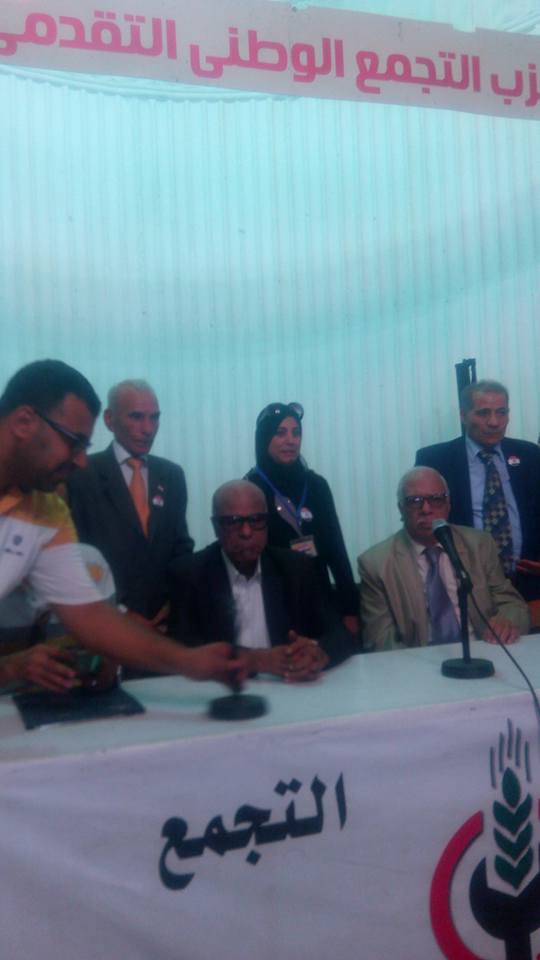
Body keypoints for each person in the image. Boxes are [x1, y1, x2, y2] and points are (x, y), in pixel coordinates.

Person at [0, 360, 242, 691]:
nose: (81, 460)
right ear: (24, 422)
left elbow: (90, 617)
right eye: (74, 442)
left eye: (85, 447)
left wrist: (190, 662)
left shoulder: (46, 511)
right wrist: (9, 669)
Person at [170, 480, 356, 680]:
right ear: (216, 526)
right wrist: (256, 661)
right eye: (233, 521)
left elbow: (340, 636)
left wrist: (318, 651)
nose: (246, 532)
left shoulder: (296, 569)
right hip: (223, 688)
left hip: (288, 686)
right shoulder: (191, 574)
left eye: (256, 520)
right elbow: (183, 653)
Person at [357, 467, 529, 652]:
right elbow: (379, 639)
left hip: (484, 651)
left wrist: (507, 622)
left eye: (436, 499)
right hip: (420, 659)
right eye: (414, 501)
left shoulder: (479, 545)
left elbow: (512, 603)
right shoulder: (375, 563)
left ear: (448, 504)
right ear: (401, 508)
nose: (426, 509)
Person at [67, 379, 193, 625]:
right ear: (109, 419)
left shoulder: (171, 475)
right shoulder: (81, 475)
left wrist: (175, 601)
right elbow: (75, 554)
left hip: (164, 622)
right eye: (136, 417)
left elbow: (181, 548)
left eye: (154, 418)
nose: (148, 428)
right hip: (104, 621)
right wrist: (120, 612)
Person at [415, 380, 540, 599]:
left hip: (528, 581)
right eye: (483, 413)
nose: (494, 422)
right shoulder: (435, 459)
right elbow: (422, 522)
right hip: (464, 584)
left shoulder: (529, 455)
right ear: (463, 416)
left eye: (501, 412)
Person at [245, 402, 358, 631]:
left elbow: (336, 549)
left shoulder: (316, 485)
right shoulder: (250, 489)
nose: (291, 440)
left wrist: (350, 609)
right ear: (264, 438)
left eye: (296, 433)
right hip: (272, 607)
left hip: (321, 602)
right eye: (280, 433)